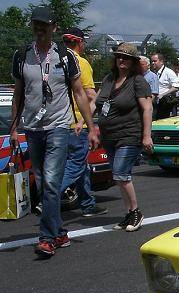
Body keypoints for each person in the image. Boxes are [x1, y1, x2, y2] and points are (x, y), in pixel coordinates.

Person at [9, 7, 99, 258]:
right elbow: (17, 94)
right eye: (36, 25)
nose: (40, 30)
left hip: (60, 125)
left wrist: (92, 127)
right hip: (32, 127)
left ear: (54, 28)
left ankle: (46, 238)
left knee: (50, 181)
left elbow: (80, 93)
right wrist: (14, 128)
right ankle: (59, 232)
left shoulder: (65, 57)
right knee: (42, 180)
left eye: (44, 26)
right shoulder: (22, 55)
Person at [95, 42, 153, 233]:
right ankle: (128, 213)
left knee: (121, 173)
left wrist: (146, 136)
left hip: (129, 134)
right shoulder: (109, 79)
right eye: (119, 56)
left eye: (126, 57)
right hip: (109, 137)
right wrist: (83, 122)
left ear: (133, 61)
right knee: (119, 177)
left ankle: (136, 212)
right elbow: (97, 102)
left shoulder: (137, 81)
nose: (121, 59)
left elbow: (147, 108)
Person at [60, 27, 107, 217]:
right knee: (76, 166)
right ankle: (48, 196)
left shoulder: (55, 61)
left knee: (80, 166)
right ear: (80, 43)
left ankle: (87, 204)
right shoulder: (80, 62)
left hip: (58, 124)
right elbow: (89, 94)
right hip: (78, 123)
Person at [150, 53, 179, 119]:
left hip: (164, 102)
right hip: (155, 102)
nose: (152, 63)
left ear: (161, 62)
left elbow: (176, 87)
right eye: (152, 61)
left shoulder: (168, 72)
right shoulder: (153, 72)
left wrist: (162, 94)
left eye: (155, 61)